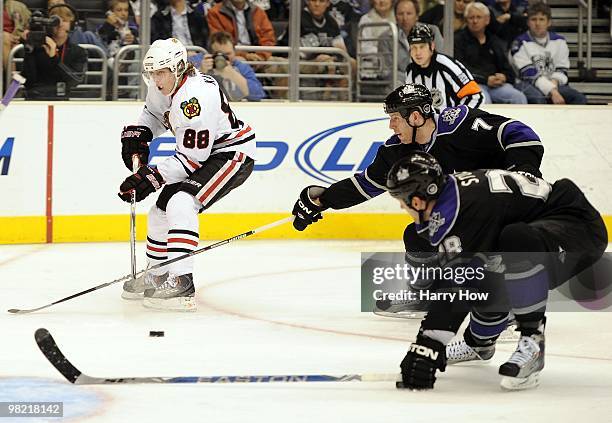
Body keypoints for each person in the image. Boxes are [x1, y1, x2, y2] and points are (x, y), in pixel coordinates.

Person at [291, 83, 544, 342]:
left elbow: (521, 133)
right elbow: (366, 185)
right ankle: (423, 294)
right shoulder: (396, 151)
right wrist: (323, 199)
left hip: (503, 210)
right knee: (417, 234)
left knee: (501, 242)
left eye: (395, 119)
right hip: (465, 217)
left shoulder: (460, 124)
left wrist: (522, 171)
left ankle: (512, 309)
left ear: (415, 117)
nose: (391, 126)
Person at [386, 151, 607, 390]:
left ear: (417, 200)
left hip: (576, 227)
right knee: (487, 274)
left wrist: (427, 346)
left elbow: (457, 288)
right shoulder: (452, 198)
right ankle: (478, 343)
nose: (402, 206)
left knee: (515, 242)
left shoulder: (463, 210)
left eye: (402, 201)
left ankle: (532, 341)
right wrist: (429, 344)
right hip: (542, 227)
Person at [118, 38, 256, 311]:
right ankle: (157, 275)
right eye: (152, 73)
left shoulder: (196, 97)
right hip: (202, 155)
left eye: (162, 72)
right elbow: (154, 113)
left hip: (231, 155)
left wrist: (151, 177)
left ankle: (182, 282)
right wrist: (141, 134)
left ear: (179, 68)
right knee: (159, 211)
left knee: (181, 202)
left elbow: (193, 159)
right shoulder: (162, 84)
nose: (156, 79)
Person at [510, 1, 587, 105]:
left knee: (579, 98)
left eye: (542, 19)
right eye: (533, 19)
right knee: (539, 99)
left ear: (549, 22)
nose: (537, 23)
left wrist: (554, 84)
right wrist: (552, 91)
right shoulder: (519, 43)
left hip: (554, 83)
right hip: (527, 83)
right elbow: (529, 74)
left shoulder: (559, 41)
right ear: (528, 22)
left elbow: (562, 68)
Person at [454, 2, 527, 104]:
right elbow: (460, 69)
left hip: (496, 85)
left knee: (518, 97)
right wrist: (486, 79)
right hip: (472, 84)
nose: (475, 21)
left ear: (487, 20)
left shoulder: (494, 41)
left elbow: (509, 71)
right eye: (471, 18)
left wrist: (504, 77)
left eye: (479, 17)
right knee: (484, 100)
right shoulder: (458, 40)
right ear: (466, 20)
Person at [404, 24, 483, 110]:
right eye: (414, 47)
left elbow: (475, 96)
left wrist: (457, 118)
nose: (418, 52)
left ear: (432, 46)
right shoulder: (410, 72)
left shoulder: (446, 65)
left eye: (422, 47)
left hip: (453, 121)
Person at [22, 4, 87, 99]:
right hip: (36, 100)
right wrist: (29, 49)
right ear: (48, 24)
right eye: (55, 21)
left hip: (62, 100)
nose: (60, 24)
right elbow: (29, 81)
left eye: (64, 20)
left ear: (72, 25)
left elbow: (76, 80)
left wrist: (54, 59)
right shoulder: (38, 47)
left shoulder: (78, 52)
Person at [379, 0, 443, 88]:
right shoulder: (386, 38)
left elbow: (441, 60)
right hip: (401, 84)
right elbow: (386, 71)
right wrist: (411, 78)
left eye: (409, 13)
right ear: (395, 16)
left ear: (417, 16)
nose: (405, 18)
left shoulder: (432, 31)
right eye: (400, 14)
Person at [196, 30, 266, 101]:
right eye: (219, 54)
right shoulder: (201, 62)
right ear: (210, 53)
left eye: (228, 54)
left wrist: (232, 74)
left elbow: (259, 94)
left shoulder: (240, 66)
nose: (223, 58)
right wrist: (200, 73)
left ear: (234, 52)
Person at [207, 0, 276, 63]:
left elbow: (269, 38)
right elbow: (218, 42)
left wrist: (261, 56)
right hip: (231, 57)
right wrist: (245, 56)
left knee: (283, 65)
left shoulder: (258, 11)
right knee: (240, 62)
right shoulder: (215, 12)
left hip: (259, 56)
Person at [3, 0, 30, 70]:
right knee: (4, 38)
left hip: (16, 39)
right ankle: (13, 80)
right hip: (4, 41)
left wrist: (25, 33)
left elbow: (30, 25)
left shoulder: (18, 6)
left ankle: (13, 80)